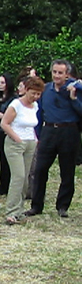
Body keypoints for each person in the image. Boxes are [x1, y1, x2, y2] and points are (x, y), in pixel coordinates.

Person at [25, 60, 82, 219]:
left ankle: (62, 206)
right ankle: (36, 205)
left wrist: (73, 98)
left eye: (60, 73)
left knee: (67, 171)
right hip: (49, 131)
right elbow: (39, 112)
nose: (57, 75)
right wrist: (38, 134)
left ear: (66, 74)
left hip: (69, 131)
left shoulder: (75, 88)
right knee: (40, 169)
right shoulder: (46, 89)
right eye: (54, 72)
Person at [2, 76, 45, 225]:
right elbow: (5, 123)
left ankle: (19, 210)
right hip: (15, 144)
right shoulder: (16, 105)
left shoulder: (35, 106)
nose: (35, 97)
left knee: (25, 178)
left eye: (38, 94)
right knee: (18, 176)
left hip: (30, 143)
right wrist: (17, 138)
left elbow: (33, 125)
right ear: (26, 90)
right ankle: (11, 211)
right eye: (33, 93)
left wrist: (34, 138)